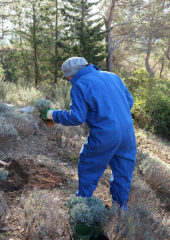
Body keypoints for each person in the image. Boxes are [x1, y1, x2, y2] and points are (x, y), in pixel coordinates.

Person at [41, 57, 136, 210]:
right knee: (123, 172)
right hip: (128, 132)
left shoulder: (80, 85)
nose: (69, 80)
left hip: (105, 133)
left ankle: (82, 206)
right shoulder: (113, 77)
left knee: (88, 165)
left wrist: (53, 114)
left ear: (71, 75)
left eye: (68, 77)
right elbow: (129, 102)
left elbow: (76, 117)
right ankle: (120, 211)